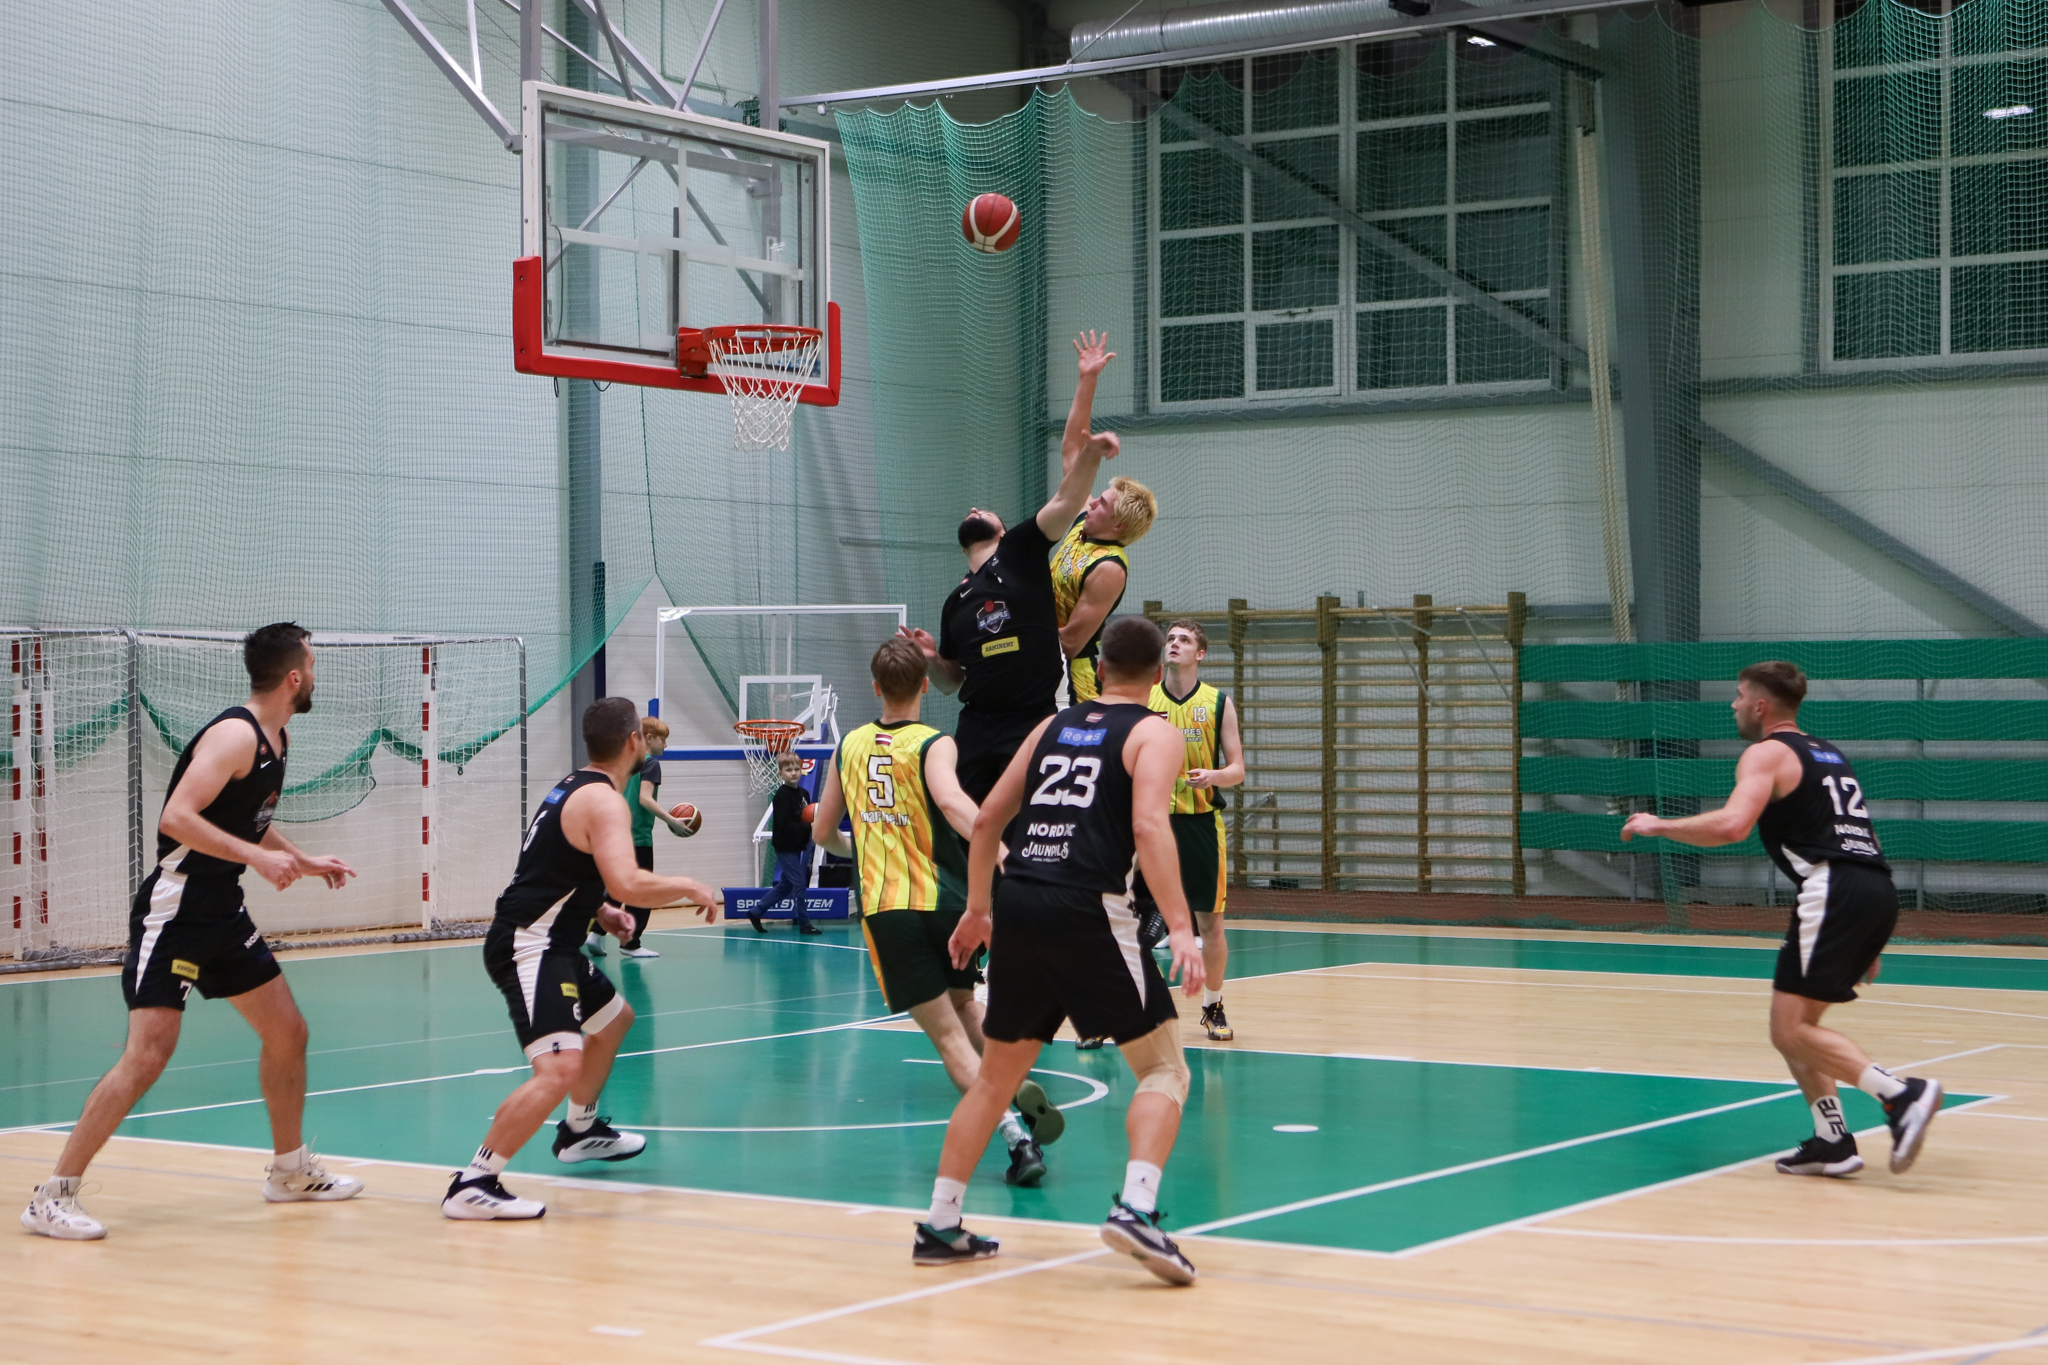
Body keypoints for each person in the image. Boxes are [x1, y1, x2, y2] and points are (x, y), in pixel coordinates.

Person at [21, 623, 363, 1241]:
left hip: (221, 910)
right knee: (148, 1055)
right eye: (312, 664)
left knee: (288, 1032)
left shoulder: (276, 738)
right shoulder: (236, 735)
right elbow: (177, 816)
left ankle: (288, 1172)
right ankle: (53, 1195)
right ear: (294, 676)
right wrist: (257, 860)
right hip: (176, 909)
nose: (315, 673)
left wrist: (302, 860)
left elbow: (245, 819)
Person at [914, 617, 1206, 1286]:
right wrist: (1183, 928)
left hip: (1019, 901)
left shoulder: (1053, 726)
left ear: (1099, 668)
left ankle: (941, 1221)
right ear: (1158, 676)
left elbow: (987, 818)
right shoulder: (1156, 732)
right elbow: (1148, 823)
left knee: (995, 1080)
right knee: (1166, 1070)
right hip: (1090, 907)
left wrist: (979, 908)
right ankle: (1136, 1208)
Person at [1620, 660, 1944, 1178]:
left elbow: (1730, 826)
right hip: (1872, 886)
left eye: (1738, 695)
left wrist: (1660, 825)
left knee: (1789, 1032)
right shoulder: (1829, 754)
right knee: (1797, 1026)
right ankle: (1832, 1140)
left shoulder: (1766, 753)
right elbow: (1862, 837)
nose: (1733, 705)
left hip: (1833, 888)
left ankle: (1903, 1094)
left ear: (1761, 705)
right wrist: (1868, 936)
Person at [445, 698, 723, 1220]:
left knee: (616, 1020)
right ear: (634, 742)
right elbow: (629, 882)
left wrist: (600, 910)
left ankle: (579, 1130)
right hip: (532, 944)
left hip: (557, 942)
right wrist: (689, 885)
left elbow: (553, 867)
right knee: (557, 1069)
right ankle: (474, 1181)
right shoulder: (605, 801)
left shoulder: (574, 786)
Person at [812, 637, 1066, 1187]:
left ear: (875, 686)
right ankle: (1010, 1084)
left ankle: (1015, 1138)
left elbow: (822, 833)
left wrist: (865, 847)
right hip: (947, 900)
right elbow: (954, 805)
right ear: (926, 684)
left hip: (888, 908)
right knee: (965, 1006)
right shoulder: (935, 743)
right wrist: (1001, 854)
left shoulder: (847, 746)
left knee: (948, 1039)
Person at [897, 334, 1126, 803]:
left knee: (1033, 829)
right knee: (968, 827)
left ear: (1002, 530)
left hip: (1035, 714)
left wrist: (1092, 452)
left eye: (985, 509)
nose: (975, 507)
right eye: (971, 508)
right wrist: (931, 658)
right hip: (978, 723)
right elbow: (950, 682)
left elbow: (1067, 496)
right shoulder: (956, 601)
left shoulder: (1022, 549)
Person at [1049, 333, 1158, 705]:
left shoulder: (1110, 568)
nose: (1093, 503)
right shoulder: (1084, 523)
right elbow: (1072, 449)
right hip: (1042, 661)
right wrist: (1088, 378)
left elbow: (1071, 640)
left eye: (1103, 505)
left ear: (1118, 528)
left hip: (1069, 681)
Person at [1151, 620, 1244, 1041]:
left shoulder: (1219, 702)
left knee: (1210, 924)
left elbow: (1238, 769)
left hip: (1201, 824)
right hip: (1150, 824)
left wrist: (1214, 776)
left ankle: (1213, 1007)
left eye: (1184, 640)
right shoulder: (1145, 698)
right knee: (1123, 920)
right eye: (1170, 639)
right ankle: (1117, 1010)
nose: (1174, 644)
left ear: (1200, 654)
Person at [585, 714, 694, 960]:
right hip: (639, 837)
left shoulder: (625, 762)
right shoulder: (650, 764)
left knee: (617, 887)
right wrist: (671, 820)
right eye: (663, 740)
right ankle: (631, 943)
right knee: (643, 891)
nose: (665, 746)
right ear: (649, 738)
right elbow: (645, 799)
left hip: (617, 832)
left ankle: (596, 933)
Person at [754, 752, 820, 935]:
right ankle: (804, 923)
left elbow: (809, 816)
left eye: (797, 769)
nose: (793, 773)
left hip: (798, 845)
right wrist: (808, 828)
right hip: (785, 847)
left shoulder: (804, 794)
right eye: (788, 770)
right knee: (799, 883)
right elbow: (784, 824)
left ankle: (756, 911)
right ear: (781, 774)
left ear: (802, 770)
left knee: (785, 885)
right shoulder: (781, 796)